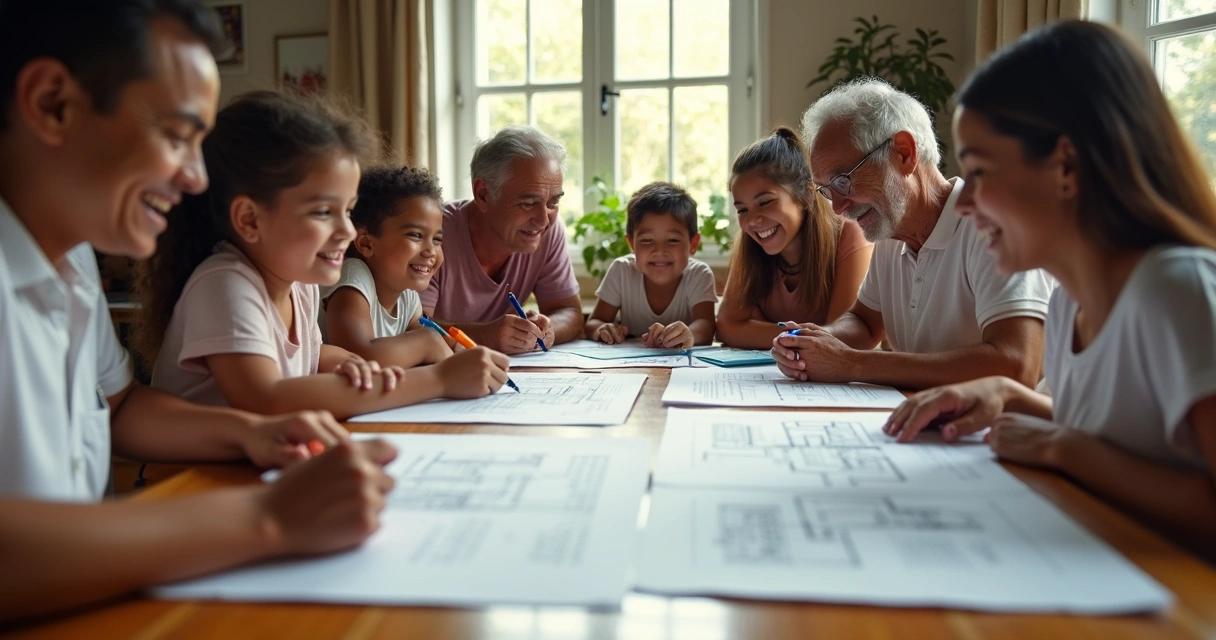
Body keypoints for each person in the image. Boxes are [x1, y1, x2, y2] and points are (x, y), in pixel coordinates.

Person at [0, 0, 394, 620]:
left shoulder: (71, 258)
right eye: (177, 136)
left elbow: (121, 406)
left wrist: (253, 432)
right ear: (53, 104)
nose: (193, 177)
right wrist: (266, 517)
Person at [884, 20, 1216, 558]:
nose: (964, 205)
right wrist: (1011, 396)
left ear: (1065, 166)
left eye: (981, 173)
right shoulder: (1067, 303)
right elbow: (1130, 438)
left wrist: (1067, 450)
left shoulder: (1174, 289)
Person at [136, 92, 510, 420]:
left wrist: (347, 362)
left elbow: (309, 355)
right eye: (322, 212)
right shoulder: (225, 283)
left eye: (347, 211)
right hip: (189, 481)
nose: (347, 231)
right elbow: (267, 398)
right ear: (250, 219)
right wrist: (437, 379)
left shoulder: (299, 284)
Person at [772, 79, 1055, 390]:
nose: (838, 208)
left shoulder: (993, 225)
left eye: (843, 180)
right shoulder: (888, 232)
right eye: (828, 190)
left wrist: (850, 363)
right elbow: (865, 323)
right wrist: (819, 341)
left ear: (904, 153)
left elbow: (1016, 365)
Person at [421, 125, 583, 355]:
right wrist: (486, 335)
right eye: (528, 203)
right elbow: (413, 327)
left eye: (553, 202)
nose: (543, 219)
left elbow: (569, 311)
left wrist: (547, 328)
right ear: (483, 194)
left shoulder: (548, 230)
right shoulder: (432, 233)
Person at [717, 127, 872, 349]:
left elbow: (846, 338)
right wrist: (807, 335)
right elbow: (726, 327)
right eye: (742, 210)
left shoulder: (850, 233)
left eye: (765, 202)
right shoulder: (750, 243)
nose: (752, 221)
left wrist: (760, 331)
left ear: (806, 196)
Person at [321, 165, 455, 367]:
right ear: (366, 243)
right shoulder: (352, 278)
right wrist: (428, 342)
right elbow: (358, 356)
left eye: (437, 239)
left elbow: (424, 353)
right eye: (416, 235)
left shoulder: (407, 296)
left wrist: (451, 347)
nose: (431, 251)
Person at [585, 181, 717, 349]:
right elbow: (593, 323)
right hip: (630, 367)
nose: (659, 250)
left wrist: (689, 335)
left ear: (693, 243)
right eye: (647, 240)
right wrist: (602, 329)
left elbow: (706, 326)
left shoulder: (699, 274)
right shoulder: (621, 270)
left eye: (672, 240)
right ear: (631, 244)